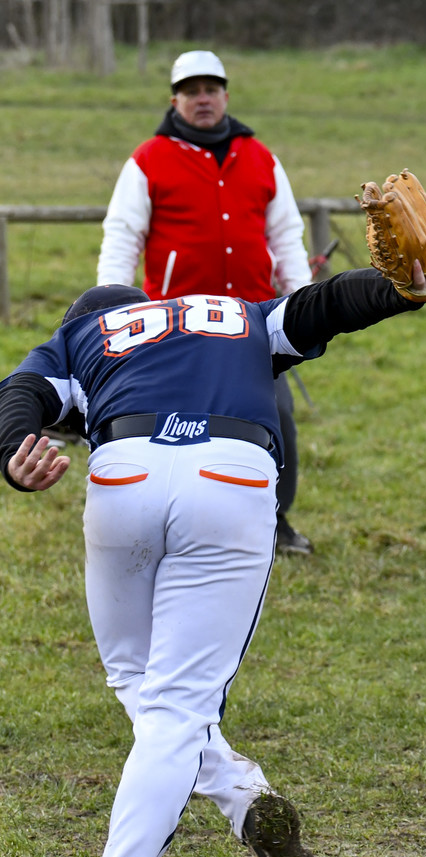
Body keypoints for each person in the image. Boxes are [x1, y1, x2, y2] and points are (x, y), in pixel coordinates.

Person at [1, 261, 426, 857]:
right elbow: (322, 306)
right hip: (228, 475)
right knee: (171, 702)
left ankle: (234, 804)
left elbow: (20, 394)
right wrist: (399, 288)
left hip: (126, 475)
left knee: (142, 684)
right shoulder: (230, 314)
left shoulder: (83, 337)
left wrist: (14, 453)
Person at [97, 50, 318, 556]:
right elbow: (122, 237)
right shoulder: (148, 159)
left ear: (225, 96)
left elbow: (285, 233)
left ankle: (274, 520)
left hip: (255, 318)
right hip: (174, 322)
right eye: (191, 90)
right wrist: (112, 304)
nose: (202, 99)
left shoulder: (261, 158)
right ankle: (167, 523)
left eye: (211, 89)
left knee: (274, 418)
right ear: (175, 99)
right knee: (170, 427)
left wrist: (303, 299)